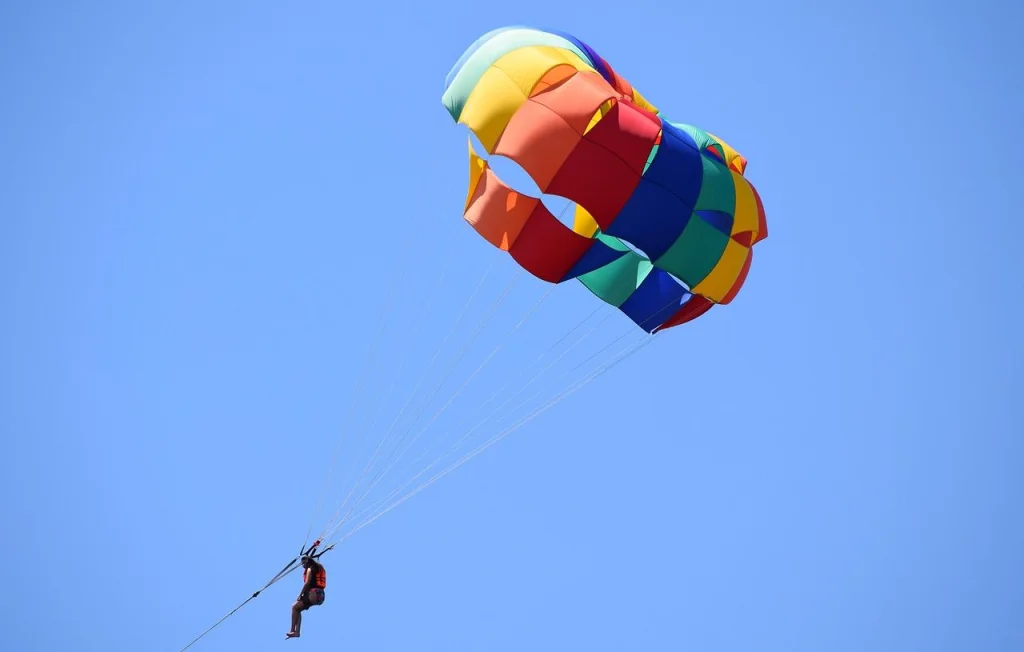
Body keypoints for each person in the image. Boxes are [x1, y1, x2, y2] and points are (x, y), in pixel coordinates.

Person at [286, 555, 326, 639]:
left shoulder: (310, 569)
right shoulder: (319, 567)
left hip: (314, 593)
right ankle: (296, 633)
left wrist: (300, 595)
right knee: (297, 609)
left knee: (294, 607)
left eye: (303, 564)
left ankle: (292, 630)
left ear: (307, 562)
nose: (302, 566)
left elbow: (307, 583)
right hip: (321, 596)